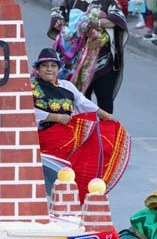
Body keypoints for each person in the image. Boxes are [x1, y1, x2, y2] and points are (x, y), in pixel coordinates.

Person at [31, 48, 130, 199]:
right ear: (38, 69)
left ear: (58, 68)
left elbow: (82, 102)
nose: (49, 69)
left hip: (68, 134)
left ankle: (77, 197)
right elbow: (27, 112)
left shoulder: (66, 86)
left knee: (94, 142)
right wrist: (54, 117)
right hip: (45, 137)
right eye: (45, 66)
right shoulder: (31, 88)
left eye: (53, 65)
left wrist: (104, 115)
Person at [49, 0, 127, 113]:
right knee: (82, 102)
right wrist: (60, 22)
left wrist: (94, 22)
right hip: (76, 62)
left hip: (104, 61)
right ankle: (86, 133)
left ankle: (107, 135)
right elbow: (57, 14)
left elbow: (117, 19)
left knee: (105, 101)